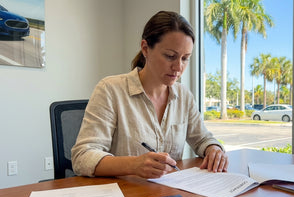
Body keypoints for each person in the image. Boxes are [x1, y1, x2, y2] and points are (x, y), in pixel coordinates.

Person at [71, 11, 228, 179]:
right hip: (125, 194)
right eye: (170, 56)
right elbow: (82, 157)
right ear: (145, 48)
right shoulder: (110, 90)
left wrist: (214, 149)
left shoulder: (184, 96)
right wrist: (134, 165)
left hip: (169, 195)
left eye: (185, 58)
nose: (178, 67)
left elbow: (202, 139)